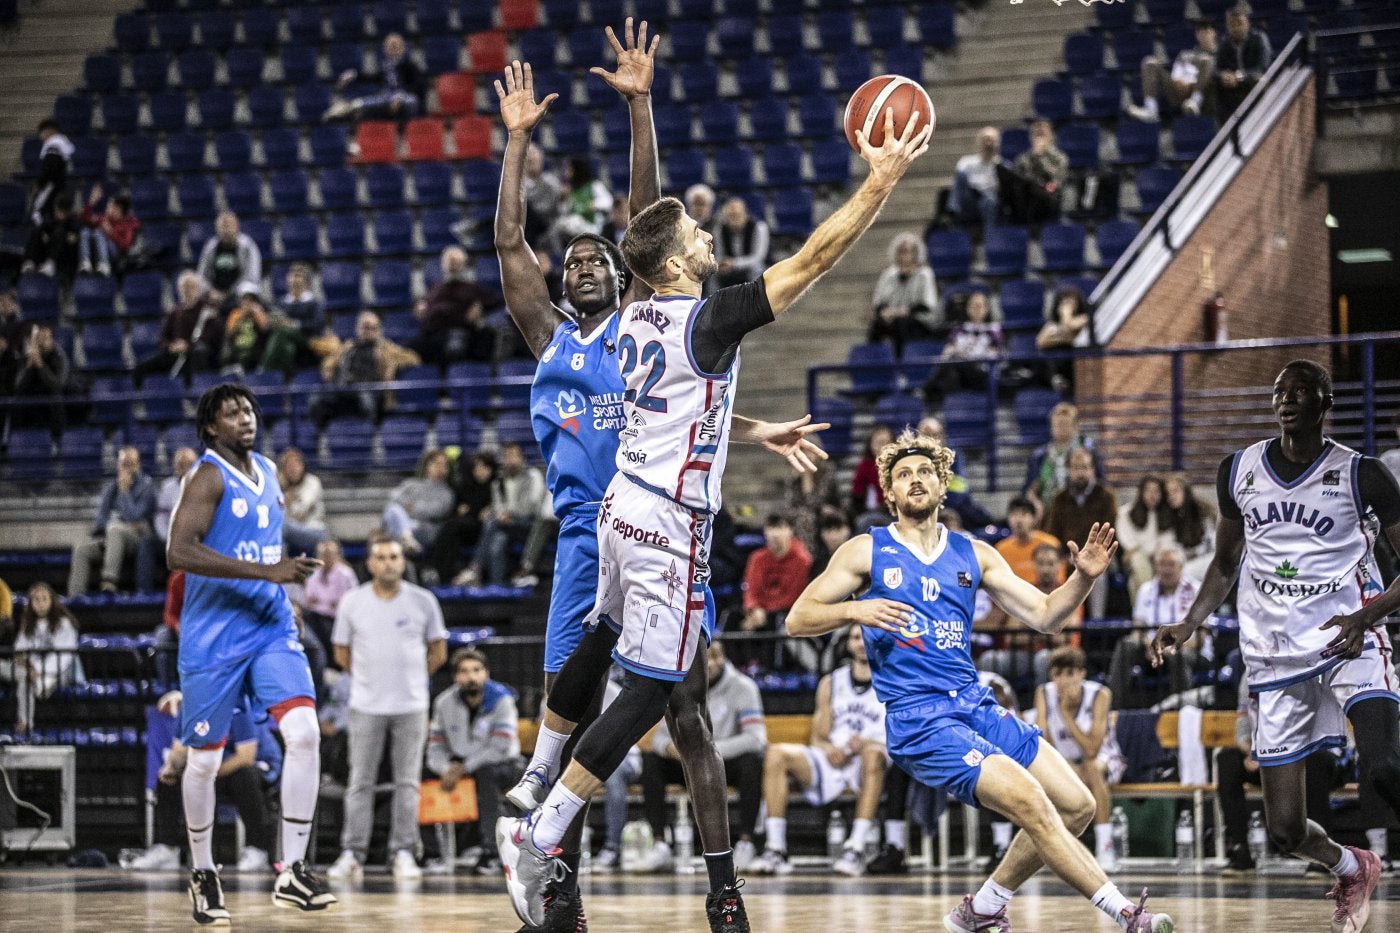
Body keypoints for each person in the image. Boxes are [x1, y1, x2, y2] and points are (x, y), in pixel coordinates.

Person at [494, 34, 929, 930]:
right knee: (655, 688)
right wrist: (879, 184)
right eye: (696, 236)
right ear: (674, 266)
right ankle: (547, 826)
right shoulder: (704, 320)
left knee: (603, 637)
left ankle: (543, 774)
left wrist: (640, 108)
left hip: (621, 507)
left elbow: (644, 226)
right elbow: (811, 261)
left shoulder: (631, 317)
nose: (706, 236)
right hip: (668, 523)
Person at [787, 429, 1172, 932]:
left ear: (942, 484)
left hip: (974, 704)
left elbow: (1046, 615)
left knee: (1078, 806)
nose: (915, 479)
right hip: (921, 720)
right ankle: (1125, 914)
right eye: (903, 474)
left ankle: (984, 907)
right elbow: (797, 618)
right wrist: (855, 609)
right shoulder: (867, 550)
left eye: (925, 471)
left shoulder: (974, 553)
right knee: (1031, 801)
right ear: (891, 493)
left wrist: (1084, 578)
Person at [1151, 360, 1400, 933]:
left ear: (1325, 402)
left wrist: (1367, 615)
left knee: (1385, 766)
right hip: (1275, 655)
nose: (1286, 400)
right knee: (1286, 829)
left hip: (1349, 639)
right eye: (1279, 392)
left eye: (1301, 391)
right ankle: (1352, 867)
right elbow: (1224, 563)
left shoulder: (1363, 475)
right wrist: (1189, 622)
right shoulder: (1237, 470)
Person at [165, 383, 335, 922]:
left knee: (304, 733)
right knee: (205, 759)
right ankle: (203, 871)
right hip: (214, 633)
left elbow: (265, 546)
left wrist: (283, 592)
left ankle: (292, 869)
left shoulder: (265, 470)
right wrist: (268, 573)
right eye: (231, 412)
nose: (245, 417)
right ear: (210, 427)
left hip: (268, 626)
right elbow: (178, 551)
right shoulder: (207, 475)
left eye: (248, 409)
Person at [327, 531, 448, 882]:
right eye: (380, 557)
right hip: (365, 706)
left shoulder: (423, 601)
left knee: (407, 783)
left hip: (411, 706)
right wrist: (371, 679)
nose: (388, 564)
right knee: (359, 783)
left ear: (403, 561)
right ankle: (352, 853)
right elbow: (341, 653)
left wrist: (412, 679)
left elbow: (438, 651)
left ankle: (404, 852)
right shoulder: (352, 602)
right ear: (369, 564)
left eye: (394, 557)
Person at [750, 625, 889, 877]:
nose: (861, 643)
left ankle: (855, 847)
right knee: (777, 754)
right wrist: (829, 749)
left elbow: (900, 734)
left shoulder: (893, 680)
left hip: (873, 759)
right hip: (834, 758)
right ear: (848, 644)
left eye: (866, 638)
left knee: (873, 756)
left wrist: (869, 744)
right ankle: (775, 848)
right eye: (855, 637)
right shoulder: (832, 682)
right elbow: (818, 737)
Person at [638, 641, 767, 872]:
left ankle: (746, 843)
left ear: (723, 658)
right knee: (652, 762)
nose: (709, 663)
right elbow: (658, 739)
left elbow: (756, 739)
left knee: (752, 763)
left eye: (715, 656)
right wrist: (671, 748)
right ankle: (660, 844)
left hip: (726, 763)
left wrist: (707, 750)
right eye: (704, 657)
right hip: (687, 760)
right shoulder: (678, 684)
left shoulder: (743, 687)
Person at [125, 697, 278, 873]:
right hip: (209, 769)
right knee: (169, 779)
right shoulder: (190, 706)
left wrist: (205, 774)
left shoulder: (236, 706)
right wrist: (171, 766)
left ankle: (257, 848)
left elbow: (246, 756)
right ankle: (167, 849)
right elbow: (179, 749)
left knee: (245, 777)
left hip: (248, 766)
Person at [1216, 671, 1336, 874]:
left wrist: (1271, 753)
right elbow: (1243, 726)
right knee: (1227, 760)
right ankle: (1239, 848)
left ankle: (1320, 852)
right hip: (1268, 759)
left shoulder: (1310, 668)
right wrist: (1252, 751)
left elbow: (1317, 726)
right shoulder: (1251, 672)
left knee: (1317, 762)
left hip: (1307, 753)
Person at [425, 647, 523, 875]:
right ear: (455, 677)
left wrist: (464, 767)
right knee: (422, 776)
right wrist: (445, 769)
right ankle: (432, 854)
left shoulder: (502, 699)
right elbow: (435, 747)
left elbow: (501, 746)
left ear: (486, 673)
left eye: (476, 670)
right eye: (464, 671)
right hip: (458, 764)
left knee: (486, 774)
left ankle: (492, 852)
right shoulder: (444, 702)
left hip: (504, 763)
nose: (471, 677)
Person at [1034, 647, 1126, 872]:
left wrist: (1066, 714)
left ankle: (1105, 847)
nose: (1063, 680)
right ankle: (1053, 851)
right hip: (1065, 762)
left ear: (1081, 673)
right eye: (1057, 674)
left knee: (1092, 768)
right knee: (1040, 774)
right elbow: (1042, 742)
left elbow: (1092, 749)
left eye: (1070, 673)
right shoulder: (1044, 693)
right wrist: (1066, 767)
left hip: (1105, 760)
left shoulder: (1099, 694)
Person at [68, 445, 158, 595]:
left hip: (137, 539)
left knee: (114, 528)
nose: (127, 468)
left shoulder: (147, 486)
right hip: (111, 538)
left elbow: (135, 516)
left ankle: (109, 582)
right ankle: (75, 597)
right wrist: (107, 529)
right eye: (123, 464)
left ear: (138, 465)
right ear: (118, 465)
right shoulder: (111, 487)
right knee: (81, 549)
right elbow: (100, 519)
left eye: (131, 464)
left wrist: (124, 491)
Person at [455, 441, 547, 586]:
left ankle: (474, 568)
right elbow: (497, 505)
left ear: (521, 457)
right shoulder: (498, 481)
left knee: (490, 522)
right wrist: (501, 515)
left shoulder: (532, 476)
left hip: (528, 525)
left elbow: (532, 506)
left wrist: (507, 514)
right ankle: (497, 586)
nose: (510, 460)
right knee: (497, 543)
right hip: (505, 525)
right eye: (506, 456)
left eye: (513, 456)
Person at [308, 311, 421, 427]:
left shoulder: (386, 348)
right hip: (343, 389)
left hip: (370, 390)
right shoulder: (348, 347)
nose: (369, 331)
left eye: (374, 328)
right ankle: (320, 434)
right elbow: (328, 364)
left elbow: (413, 358)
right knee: (315, 398)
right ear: (358, 328)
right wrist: (330, 373)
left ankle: (369, 432)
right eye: (366, 327)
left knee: (365, 398)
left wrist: (393, 364)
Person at [410, 247, 501, 365]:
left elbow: (498, 300)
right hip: (433, 334)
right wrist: (420, 308)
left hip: (459, 332)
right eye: (450, 262)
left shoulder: (471, 288)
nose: (452, 266)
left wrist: (481, 307)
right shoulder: (435, 289)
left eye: (456, 262)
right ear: (443, 264)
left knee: (455, 345)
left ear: (463, 265)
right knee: (408, 350)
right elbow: (422, 307)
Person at [12, 582, 82, 734]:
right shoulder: (27, 624)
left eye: (44, 599)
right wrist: (30, 668)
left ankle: (25, 724)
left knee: (25, 679)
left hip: (59, 672)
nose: (40, 603)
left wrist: (39, 672)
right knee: (19, 673)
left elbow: (64, 657)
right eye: (36, 600)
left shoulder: (64, 624)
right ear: (31, 603)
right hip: (29, 670)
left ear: (52, 601)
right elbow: (19, 651)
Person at [133, 271, 223, 384]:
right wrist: (171, 346)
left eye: (190, 287)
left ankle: (193, 390)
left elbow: (209, 339)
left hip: (195, 354)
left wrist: (187, 345)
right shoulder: (175, 312)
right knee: (141, 367)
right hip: (175, 353)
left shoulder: (207, 311)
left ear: (198, 289)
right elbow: (162, 338)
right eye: (183, 287)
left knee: (198, 354)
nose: (186, 290)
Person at [1127, 19, 1218, 123]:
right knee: (1149, 62)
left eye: (1208, 32)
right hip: (1180, 89)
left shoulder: (1220, 53)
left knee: (1207, 60)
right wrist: (1180, 81)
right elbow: (1178, 72)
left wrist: (1191, 83)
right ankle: (1151, 109)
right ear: (1197, 35)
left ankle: (1195, 101)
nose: (1205, 36)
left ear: (1214, 33)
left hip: (1206, 94)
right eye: (1201, 32)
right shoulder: (1186, 54)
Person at [924, 290, 1004, 407]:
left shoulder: (993, 330)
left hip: (982, 372)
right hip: (960, 371)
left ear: (986, 309)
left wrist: (964, 355)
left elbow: (993, 355)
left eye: (979, 306)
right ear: (967, 308)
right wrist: (957, 355)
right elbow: (946, 354)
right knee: (951, 374)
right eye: (972, 306)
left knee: (954, 360)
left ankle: (926, 390)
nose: (976, 309)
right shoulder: (959, 330)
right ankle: (948, 409)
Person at [429, 451, 497, 586]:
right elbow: (459, 509)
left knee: (452, 526)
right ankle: (445, 576)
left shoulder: (495, 486)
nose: (480, 471)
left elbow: (478, 513)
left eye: (484, 467)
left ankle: (433, 567)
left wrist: (477, 511)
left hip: (483, 531)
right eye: (477, 467)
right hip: (464, 529)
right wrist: (472, 511)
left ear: (491, 469)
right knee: (453, 536)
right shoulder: (466, 486)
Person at [325, 33, 426, 122]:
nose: (393, 49)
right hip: (386, 98)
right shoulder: (385, 66)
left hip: (406, 98)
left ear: (403, 48)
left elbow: (418, 85)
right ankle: (348, 108)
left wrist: (400, 96)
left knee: (411, 101)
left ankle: (408, 128)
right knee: (369, 105)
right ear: (385, 49)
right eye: (390, 46)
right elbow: (372, 77)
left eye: (396, 46)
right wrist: (354, 74)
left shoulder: (410, 66)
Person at [1024, 402, 1103, 515]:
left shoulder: (1088, 450)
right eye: (1057, 424)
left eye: (1065, 424)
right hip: (1048, 510)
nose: (1061, 428)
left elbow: (1101, 482)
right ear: (1051, 427)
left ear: (1075, 426)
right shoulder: (1040, 455)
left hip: (1081, 508)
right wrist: (1035, 503)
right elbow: (1030, 489)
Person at [868, 232, 938, 357]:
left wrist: (902, 312)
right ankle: (873, 361)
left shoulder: (925, 274)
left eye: (909, 252)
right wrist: (885, 313)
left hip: (919, 320)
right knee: (877, 325)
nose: (905, 256)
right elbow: (879, 303)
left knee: (901, 324)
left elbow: (927, 305)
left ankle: (900, 363)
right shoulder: (888, 274)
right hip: (892, 317)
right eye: (902, 252)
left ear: (916, 254)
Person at [381, 448, 456, 562]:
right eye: (436, 463)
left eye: (444, 465)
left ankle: (404, 540)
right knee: (392, 508)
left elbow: (435, 512)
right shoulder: (411, 483)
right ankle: (407, 539)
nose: (440, 468)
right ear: (427, 466)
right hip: (405, 526)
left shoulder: (447, 493)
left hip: (426, 530)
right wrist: (409, 509)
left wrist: (409, 508)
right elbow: (393, 497)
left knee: (394, 521)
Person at [258, 263, 326, 374]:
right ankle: (286, 376)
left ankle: (263, 370)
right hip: (285, 342)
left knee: (283, 331)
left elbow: (318, 324)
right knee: (287, 348)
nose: (294, 281)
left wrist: (292, 324)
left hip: (307, 340)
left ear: (306, 283)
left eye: (298, 277)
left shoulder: (313, 303)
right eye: (292, 277)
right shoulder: (282, 302)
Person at [296, 538, 358, 653]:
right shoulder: (314, 572)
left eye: (329, 554)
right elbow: (309, 600)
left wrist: (326, 603)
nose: (326, 558)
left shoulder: (346, 574)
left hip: (338, 619)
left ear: (337, 555)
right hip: (316, 618)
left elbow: (353, 602)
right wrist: (329, 603)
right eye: (323, 554)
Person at [1213, 4, 1273, 120]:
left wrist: (1238, 77)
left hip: (1250, 82)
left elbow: (1262, 68)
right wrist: (1223, 75)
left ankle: (1265, 119)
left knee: (1259, 80)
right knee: (1213, 84)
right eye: (1231, 24)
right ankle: (1219, 125)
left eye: (1239, 23)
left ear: (1247, 22)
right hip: (1231, 87)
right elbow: (1216, 69)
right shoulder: (1224, 43)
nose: (1235, 28)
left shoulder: (1259, 39)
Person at [7, 323, 71, 430]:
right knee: (17, 401)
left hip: (52, 404)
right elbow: (17, 388)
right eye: (38, 339)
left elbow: (58, 386)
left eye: (46, 338)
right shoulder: (26, 358)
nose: (42, 342)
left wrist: (40, 365)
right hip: (31, 403)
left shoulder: (59, 356)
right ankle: (17, 434)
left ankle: (57, 435)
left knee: (55, 398)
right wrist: (29, 366)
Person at [1002, 119, 1067, 225]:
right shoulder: (1023, 158)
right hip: (1027, 199)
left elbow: (1057, 181)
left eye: (1042, 135)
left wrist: (1040, 157)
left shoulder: (1059, 158)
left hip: (1049, 196)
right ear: (1031, 137)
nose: (1039, 139)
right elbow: (1021, 178)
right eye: (1036, 135)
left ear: (1051, 137)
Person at [1116, 475, 1168, 598]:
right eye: (1148, 490)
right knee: (1138, 560)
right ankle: (1150, 598)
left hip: (1159, 557)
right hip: (1134, 557)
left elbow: (1166, 541)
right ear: (1141, 492)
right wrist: (1142, 551)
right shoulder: (1126, 512)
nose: (1152, 495)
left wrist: (1156, 555)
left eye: (1156, 491)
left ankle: (1144, 607)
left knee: (1133, 582)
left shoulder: (1166, 515)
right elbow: (1128, 543)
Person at [1033, 285, 1091, 394]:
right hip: (1056, 364)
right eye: (1063, 303)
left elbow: (1069, 326)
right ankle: (1055, 380)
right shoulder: (1052, 324)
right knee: (1043, 355)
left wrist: (1066, 314)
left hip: (1074, 361)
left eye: (1070, 302)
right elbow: (1040, 342)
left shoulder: (1084, 318)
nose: (1066, 306)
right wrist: (1063, 339)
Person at [197, 212, 262, 308]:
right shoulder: (211, 247)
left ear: (236, 226)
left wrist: (228, 293)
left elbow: (251, 276)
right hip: (215, 293)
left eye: (228, 226)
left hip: (238, 292)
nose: (225, 230)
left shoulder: (247, 246)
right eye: (222, 227)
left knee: (247, 289)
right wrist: (210, 291)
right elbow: (202, 275)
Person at [1160, 471, 1215, 582]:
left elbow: (1212, 544)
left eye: (1175, 491)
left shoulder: (1202, 510)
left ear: (1185, 490)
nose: (1171, 496)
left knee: (1183, 573)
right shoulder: (1171, 514)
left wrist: (1192, 554)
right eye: (1168, 493)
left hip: (1210, 557)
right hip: (1187, 560)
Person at [277, 448, 328, 558]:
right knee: (278, 531)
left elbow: (300, 514)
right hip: (292, 531)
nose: (293, 470)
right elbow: (277, 515)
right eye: (289, 467)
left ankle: (281, 565)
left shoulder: (312, 482)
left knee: (281, 527)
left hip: (315, 530)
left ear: (303, 466)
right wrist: (284, 490)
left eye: (296, 465)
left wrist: (287, 500)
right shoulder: (281, 487)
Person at [947, 126, 1001, 228]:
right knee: (961, 175)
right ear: (979, 142)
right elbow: (959, 185)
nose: (988, 144)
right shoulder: (965, 162)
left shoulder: (1001, 165)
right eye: (986, 139)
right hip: (969, 199)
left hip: (988, 201)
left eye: (992, 140)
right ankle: (952, 214)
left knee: (990, 199)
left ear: (998, 143)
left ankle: (990, 232)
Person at [26, 118, 73, 234]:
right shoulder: (62, 144)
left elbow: (49, 169)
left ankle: (44, 238)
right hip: (58, 186)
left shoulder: (53, 145)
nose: (41, 137)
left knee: (36, 213)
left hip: (50, 186)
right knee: (54, 215)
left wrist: (40, 183)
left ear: (48, 131)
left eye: (41, 133)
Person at [713, 197, 770, 289]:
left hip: (750, 266)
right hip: (729, 268)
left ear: (745, 213)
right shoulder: (719, 230)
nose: (734, 219)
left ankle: (755, 296)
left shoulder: (759, 227)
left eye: (737, 215)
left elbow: (758, 257)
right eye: (730, 216)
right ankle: (714, 297)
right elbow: (719, 254)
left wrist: (735, 263)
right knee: (712, 272)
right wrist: (721, 263)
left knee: (757, 269)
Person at [851, 425, 895, 530]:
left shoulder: (899, 466)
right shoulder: (864, 466)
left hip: (894, 512)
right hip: (871, 513)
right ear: (871, 445)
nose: (884, 447)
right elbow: (857, 496)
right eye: (880, 443)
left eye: (887, 442)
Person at [220, 289, 270, 375]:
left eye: (250, 302)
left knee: (245, 356)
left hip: (254, 347)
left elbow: (264, 328)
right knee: (227, 356)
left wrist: (257, 313)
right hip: (236, 346)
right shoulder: (235, 314)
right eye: (244, 302)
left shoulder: (258, 315)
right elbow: (229, 333)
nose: (247, 305)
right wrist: (241, 317)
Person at [155, 447, 200, 544]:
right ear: (175, 466)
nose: (185, 468)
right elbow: (161, 517)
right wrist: (168, 538)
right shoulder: (167, 487)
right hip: (171, 537)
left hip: (199, 538)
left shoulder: (207, 486)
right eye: (181, 464)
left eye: (189, 464)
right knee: (147, 543)